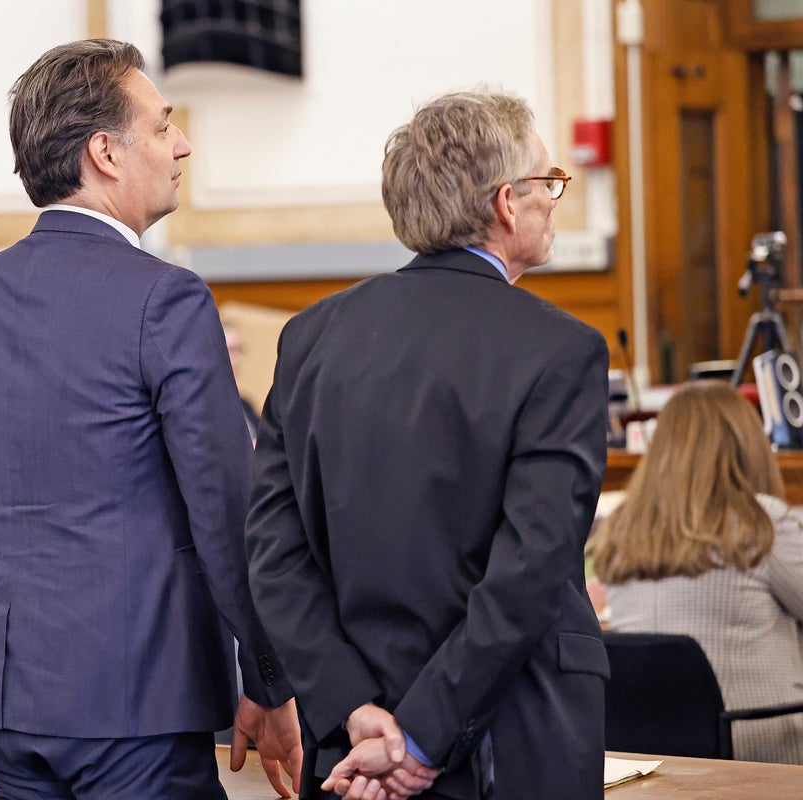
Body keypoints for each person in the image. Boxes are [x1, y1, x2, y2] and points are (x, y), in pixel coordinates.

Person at [0, 39, 302, 799]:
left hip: (7, 696)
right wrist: (269, 678)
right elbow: (224, 507)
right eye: (163, 125)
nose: (183, 143)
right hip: (135, 693)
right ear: (105, 153)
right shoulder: (165, 296)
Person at [245, 89, 610, 800]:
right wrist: (417, 739)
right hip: (506, 742)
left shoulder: (312, 337)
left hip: (350, 750)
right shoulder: (559, 349)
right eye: (548, 181)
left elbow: (274, 554)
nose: (554, 197)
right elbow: (531, 568)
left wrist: (353, 708)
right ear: (507, 204)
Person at [591, 380, 803, 764]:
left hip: (653, 755)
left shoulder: (622, 530)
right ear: (748, 446)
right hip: (763, 745)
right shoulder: (761, 522)